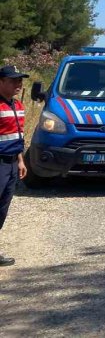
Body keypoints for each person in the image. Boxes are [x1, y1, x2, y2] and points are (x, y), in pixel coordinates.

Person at [0, 65, 28, 266]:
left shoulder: (17, 105)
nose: (18, 84)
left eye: (20, 80)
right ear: (1, 82)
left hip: (11, 164)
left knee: (2, 209)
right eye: (13, 80)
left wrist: (20, 160)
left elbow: (17, 136)